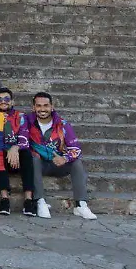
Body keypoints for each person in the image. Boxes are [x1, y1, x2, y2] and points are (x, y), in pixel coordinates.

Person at [26, 92, 96, 220]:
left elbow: (76, 149)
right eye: (39, 106)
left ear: (52, 106)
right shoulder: (26, 122)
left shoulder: (63, 125)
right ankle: (40, 201)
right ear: (33, 107)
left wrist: (65, 158)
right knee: (33, 158)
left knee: (76, 163)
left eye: (46, 105)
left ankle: (81, 204)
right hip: (38, 164)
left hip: (58, 163)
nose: (42, 109)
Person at [0, 88, 34, 217]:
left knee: (26, 154)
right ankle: (4, 199)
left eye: (7, 99)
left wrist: (15, 148)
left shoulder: (21, 117)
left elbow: (25, 138)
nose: (3, 102)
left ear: (12, 102)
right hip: (0, 157)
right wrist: (7, 149)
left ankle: (28, 199)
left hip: (18, 156)